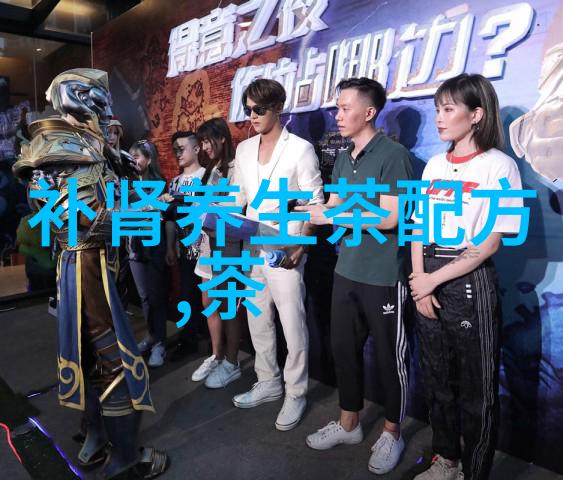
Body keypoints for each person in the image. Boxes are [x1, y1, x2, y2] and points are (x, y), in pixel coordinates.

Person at [13, 68, 167, 479]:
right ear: (79, 96)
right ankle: (125, 459)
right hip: (87, 263)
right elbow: (79, 219)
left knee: (89, 355)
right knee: (114, 359)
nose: (105, 106)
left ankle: (94, 438)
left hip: (90, 263)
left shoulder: (81, 141)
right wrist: (145, 213)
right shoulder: (62, 144)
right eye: (98, 97)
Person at [409, 73, 524, 480]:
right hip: (427, 277)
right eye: (437, 109)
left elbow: (490, 243)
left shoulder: (500, 166)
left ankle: (474, 472)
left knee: (478, 391)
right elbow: (418, 227)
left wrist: (434, 281)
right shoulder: (435, 165)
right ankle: (446, 461)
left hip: (469, 282)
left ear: (476, 114)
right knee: (437, 381)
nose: (439, 118)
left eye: (448, 109)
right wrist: (419, 281)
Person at [299, 77, 412, 474]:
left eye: (345, 108)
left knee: (389, 358)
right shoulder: (345, 158)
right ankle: (349, 423)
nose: (338, 114)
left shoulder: (394, 155)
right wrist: (313, 214)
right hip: (346, 267)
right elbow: (334, 203)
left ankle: (393, 432)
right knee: (344, 349)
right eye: (337, 107)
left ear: (369, 112)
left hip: (383, 273)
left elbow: (392, 217)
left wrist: (332, 215)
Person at [231, 79, 324, 431]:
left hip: (286, 247)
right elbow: (238, 197)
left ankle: (296, 391)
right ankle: (267, 381)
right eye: (248, 110)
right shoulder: (243, 150)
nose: (252, 116)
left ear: (278, 108)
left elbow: (314, 201)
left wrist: (302, 244)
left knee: (292, 322)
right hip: (251, 244)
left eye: (259, 109)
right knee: (257, 317)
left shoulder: (300, 149)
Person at [189, 117, 244, 389]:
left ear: (222, 138)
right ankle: (217, 355)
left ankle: (232, 362)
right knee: (209, 302)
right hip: (208, 244)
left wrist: (211, 209)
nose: (204, 147)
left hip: (229, 244)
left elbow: (239, 207)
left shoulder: (237, 167)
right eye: (201, 142)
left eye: (207, 141)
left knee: (229, 305)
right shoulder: (211, 170)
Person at [129, 140, 170, 368]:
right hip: (133, 246)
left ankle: (160, 343)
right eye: (131, 156)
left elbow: (161, 216)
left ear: (149, 159)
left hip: (154, 246)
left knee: (156, 297)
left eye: (137, 156)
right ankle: (151, 336)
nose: (133, 161)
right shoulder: (128, 183)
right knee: (144, 297)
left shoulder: (159, 184)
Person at [165, 131, 206, 361]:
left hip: (207, 247)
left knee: (210, 296)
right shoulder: (175, 182)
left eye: (182, 148)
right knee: (187, 295)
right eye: (175, 150)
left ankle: (211, 341)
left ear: (197, 148)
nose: (178, 154)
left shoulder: (207, 176)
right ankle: (188, 339)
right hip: (184, 249)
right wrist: (171, 246)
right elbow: (170, 219)